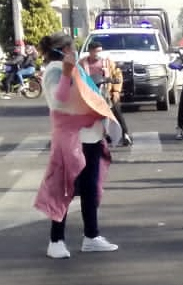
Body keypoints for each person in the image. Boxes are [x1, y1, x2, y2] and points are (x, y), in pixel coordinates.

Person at [34, 34, 117, 259]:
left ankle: (91, 236)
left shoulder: (74, 68)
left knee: (90, 190)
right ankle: (56, 241)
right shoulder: (54, 70)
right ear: (63, 49)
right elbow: (59, 100)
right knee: (64, 189)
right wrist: (67, 72)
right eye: (72, 47)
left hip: (90, 136)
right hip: (71, 138)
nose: (75, 50)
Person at [83, 39, 132, 148]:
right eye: (96, 51)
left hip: (106, 93)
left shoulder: (107, 61)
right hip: (90, 95)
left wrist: (116, 91)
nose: (98, 54)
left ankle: (125, 135)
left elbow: (117, 75)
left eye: (100, 51)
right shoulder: (83, 63)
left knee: (116, 111)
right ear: (90, 51)